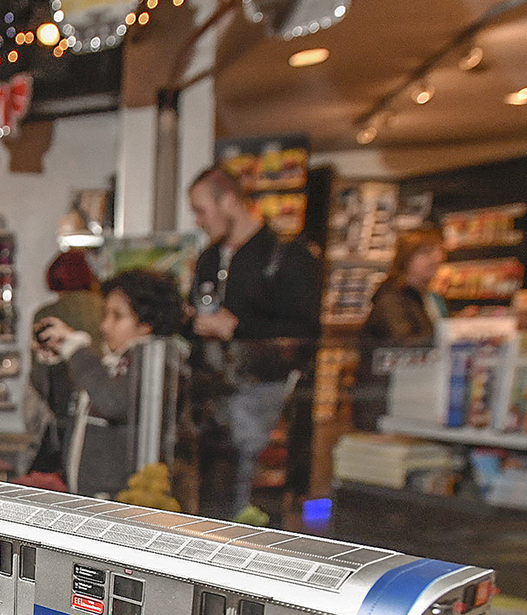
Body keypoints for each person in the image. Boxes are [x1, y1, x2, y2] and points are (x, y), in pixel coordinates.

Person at [187, 165, 322, 523]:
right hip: (209, 401)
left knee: (252, 507)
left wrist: (238, 328)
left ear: (229, 201)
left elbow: (305, 330)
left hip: (264, 401)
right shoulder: (208, 258)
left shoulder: (289, 257)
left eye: (202, 210)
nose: (199, 221)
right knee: (210, 504)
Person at [32, 268, 186, 498]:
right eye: (106, 314)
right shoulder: (112, 362)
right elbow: (66, 411)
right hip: (87, 494)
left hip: (122, 499)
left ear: (146, 323)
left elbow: (113, 403)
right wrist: (55, 364)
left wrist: (76, 349)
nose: (105, 326)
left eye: (117, 316)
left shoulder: (150, 361)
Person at [353, 225, 447, 431]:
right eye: (425, 253)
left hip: (407, 397)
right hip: (387, 399)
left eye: (438, 252)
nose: (435, 259)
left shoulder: (426, 299)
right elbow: (402, 343)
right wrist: (446, 336)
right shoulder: (393, 298)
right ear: (406, 258)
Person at [26, 250, 103, 476]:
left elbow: (38, 374)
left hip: (61, 408)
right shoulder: (104, 308)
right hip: (98, 401)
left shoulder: (47, 314)